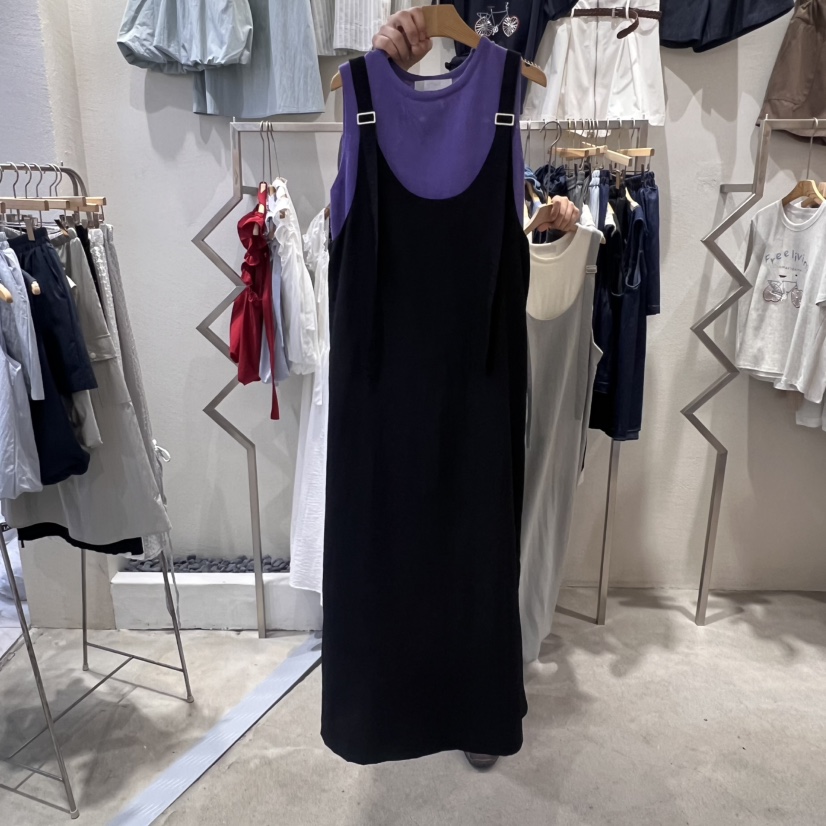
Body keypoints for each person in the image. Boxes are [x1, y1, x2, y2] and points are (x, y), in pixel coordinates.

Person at [371, 8, 581, 235]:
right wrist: (377, 80)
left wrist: (552, 209)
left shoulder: (499, 152)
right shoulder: (375, 120)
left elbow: (521, 192)